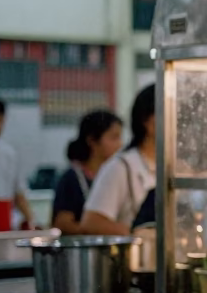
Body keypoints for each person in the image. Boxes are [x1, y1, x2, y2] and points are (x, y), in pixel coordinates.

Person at [79, 86, 156, 235]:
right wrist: (138, 234)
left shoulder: (176, 166)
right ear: (148, 121)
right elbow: (91, 223)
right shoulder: (120, 167)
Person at [51, 110, 124, 234]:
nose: (120, 144)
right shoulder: (72, 178)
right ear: (92, 141)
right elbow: (62, 223)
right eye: (113, 138)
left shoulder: (115, 175)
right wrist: (95, 228)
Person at [0, 95, 35, 231]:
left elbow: (19, 194)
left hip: (1, 223)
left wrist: (31, 220)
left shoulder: (8, 155)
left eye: (0, 122)